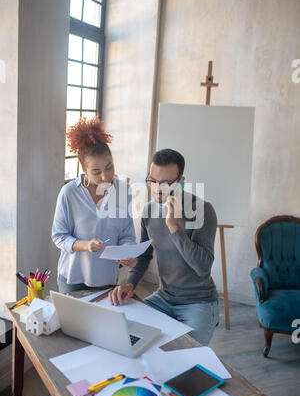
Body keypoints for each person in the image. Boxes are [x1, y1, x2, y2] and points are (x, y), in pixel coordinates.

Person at [109, 148, 219, 346]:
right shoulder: (149, 210)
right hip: (164, 297)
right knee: (123, 332)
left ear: (181, 181)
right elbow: (144, 256)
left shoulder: (203, 210)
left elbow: (202, 267)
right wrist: (130, 284)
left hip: (199, 302)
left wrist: (173, 226)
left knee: (185, 355)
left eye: (166, 183)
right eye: (153, 181)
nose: (158, 189)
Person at [52, 117, 137, 294]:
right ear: (84, 169)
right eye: (96, 172)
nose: (105, 176)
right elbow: (59, 236)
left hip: (107, 279)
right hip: (73, 279)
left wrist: (128, 253)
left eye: (109, 167)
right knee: (71, 323)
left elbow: (127, 234)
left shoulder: (123, 191)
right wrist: (85, 245)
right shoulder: (69, 193)